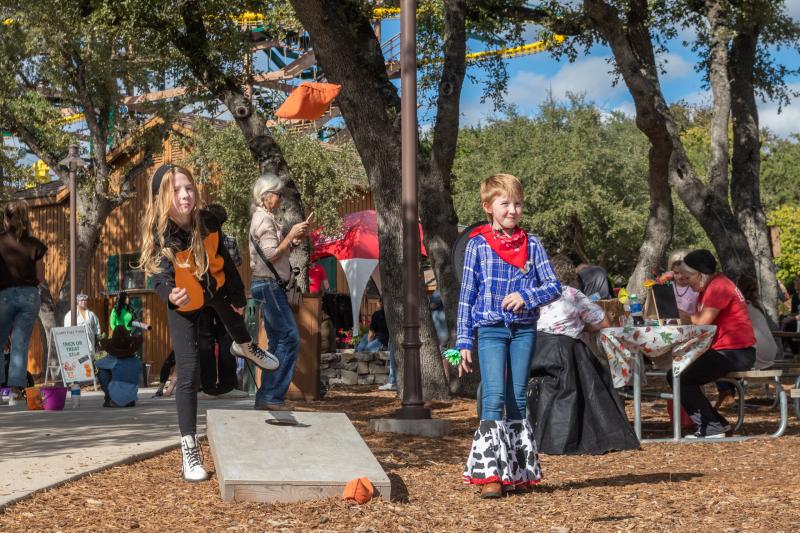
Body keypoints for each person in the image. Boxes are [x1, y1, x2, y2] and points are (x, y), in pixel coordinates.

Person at [139, 164, 279, 482]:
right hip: (184, 299)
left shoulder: (208, 220)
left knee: (228, 307)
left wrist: (238, 296)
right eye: (176, 190)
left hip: (211, 285)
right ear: (163, 196)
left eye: (188, 188)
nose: (185, 195)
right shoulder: (162, 232)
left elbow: (226, 263)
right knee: (188, 373)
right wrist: (169, 294)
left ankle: (245, 346)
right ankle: (189, 447)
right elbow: (158, 275)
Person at [457, 173, 561, 498]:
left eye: (517, 203)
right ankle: (490, 475)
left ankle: (518, 471)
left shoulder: (533, 244)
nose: (513, 210)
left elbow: (554, 286)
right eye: (505, 204)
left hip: (524, 330)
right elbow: (467, 295)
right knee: (494, 396)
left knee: (518, 397)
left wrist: (526, 298)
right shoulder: (477, 245)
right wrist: (463, 341)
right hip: (490, 330)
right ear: (489, 207)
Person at [529, 255, 639, 455]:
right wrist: (582, 327)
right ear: (571, 275)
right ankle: (586, 435)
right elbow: (604, 322)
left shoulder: (534, 295)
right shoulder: (573, 294)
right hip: (564, 351)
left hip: (534, 350)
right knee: (596, 378)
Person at [671, 249, 755, 438]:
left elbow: (701, 322)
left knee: (679, 375)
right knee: (677, 373)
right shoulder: (711, 286)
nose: (686, 281)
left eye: (688, 276)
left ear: (699, 275)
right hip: (728, 351)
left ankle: (712, 426)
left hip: (734, 352)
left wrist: (678, 313)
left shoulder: (718, 286)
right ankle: (716, 424)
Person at [249, 174, 308, 411]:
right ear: (265, 196)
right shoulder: (264, 220)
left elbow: (274, 253)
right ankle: (271, 396)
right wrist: (291, 235)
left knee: (277, 342)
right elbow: (272, 254)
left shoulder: (263, 218)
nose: (281, 198)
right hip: (270, 285)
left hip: (267, 285)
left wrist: (291, 242)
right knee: (289, 338)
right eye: (278, 194)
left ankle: (267, 396)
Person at [0, 200, 46, 405]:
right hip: (29, 296)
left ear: (6, 218)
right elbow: (40, 277)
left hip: (4, 296)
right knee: (19, 343)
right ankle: (16, 392)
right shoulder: (35, 244)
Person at [714, 274, 780, 409]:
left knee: (716, 358)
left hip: (756, 352)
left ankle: (726, 392)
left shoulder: (740, 305)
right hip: (771, 351)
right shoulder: (758, 305)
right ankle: (728, 393)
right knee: (728, 358)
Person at [664, 250, 699, 319]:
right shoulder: (667, 286)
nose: (680, 276)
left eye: (683, 272)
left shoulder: (695, 288)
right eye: (676, 273)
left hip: (690, 326)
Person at [781, 276, 800, 356]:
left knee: (789, 325)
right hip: (796, 320)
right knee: (783, 320)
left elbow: (796, 315)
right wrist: (787, 317)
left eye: (797, 280)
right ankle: (792, 350)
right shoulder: (795, 297)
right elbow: (794, 312)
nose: (794, 282)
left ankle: (795, 352)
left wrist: (792, 318)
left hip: (797, 321)